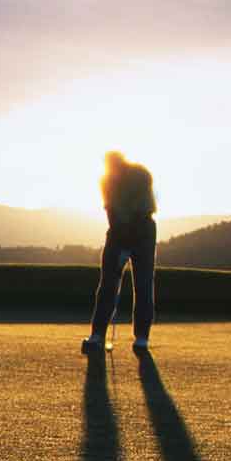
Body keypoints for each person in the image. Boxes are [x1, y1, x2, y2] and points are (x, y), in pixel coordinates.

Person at [83, 151, 156, 354]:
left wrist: (129, 244)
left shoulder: (140, 175)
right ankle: (97, 334)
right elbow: (111, 212)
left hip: (144, 232)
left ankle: (142, 338)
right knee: (107, 283)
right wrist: (121, 244)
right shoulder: (106, 180)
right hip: (117, 232)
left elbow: (143, 212)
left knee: (143, 284)